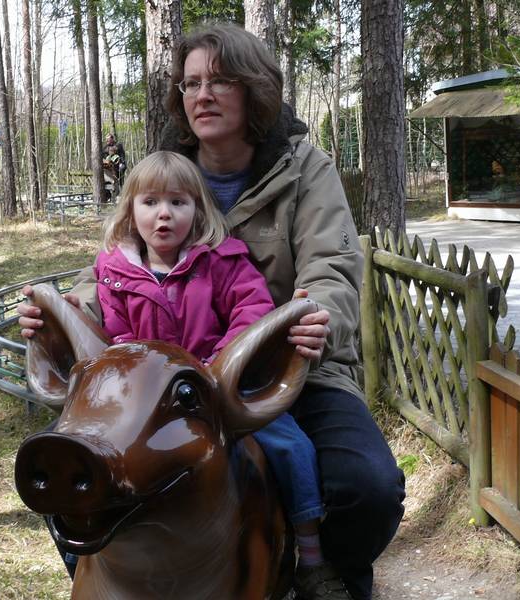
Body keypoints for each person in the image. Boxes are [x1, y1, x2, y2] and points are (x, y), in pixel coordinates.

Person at [20, 23, 405, 600]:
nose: (202, 95)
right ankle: (99, 578)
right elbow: (113, 265)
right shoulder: (165, 174)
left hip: (284, 365)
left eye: (220, 81)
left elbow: (331, 267)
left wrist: (314, 321)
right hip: (155, 385)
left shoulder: (305, 170)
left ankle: (329, 577)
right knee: (74, 464)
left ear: (254, 89)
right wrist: (71, 311)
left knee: (366, 487)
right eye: (191, 83)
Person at [93, 150, 343, 599]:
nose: (164, 214)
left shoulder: (222, 261)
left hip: (220, 386)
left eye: (178, 202)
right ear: (130, 209)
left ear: (198, 209)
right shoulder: (114, 274)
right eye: (150, 202)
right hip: (150, 401)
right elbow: (119, 334)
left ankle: (310, 554)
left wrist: (221, 361)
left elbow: (252, 307)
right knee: (103, 456)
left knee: (289, 446)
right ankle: (96, 556)